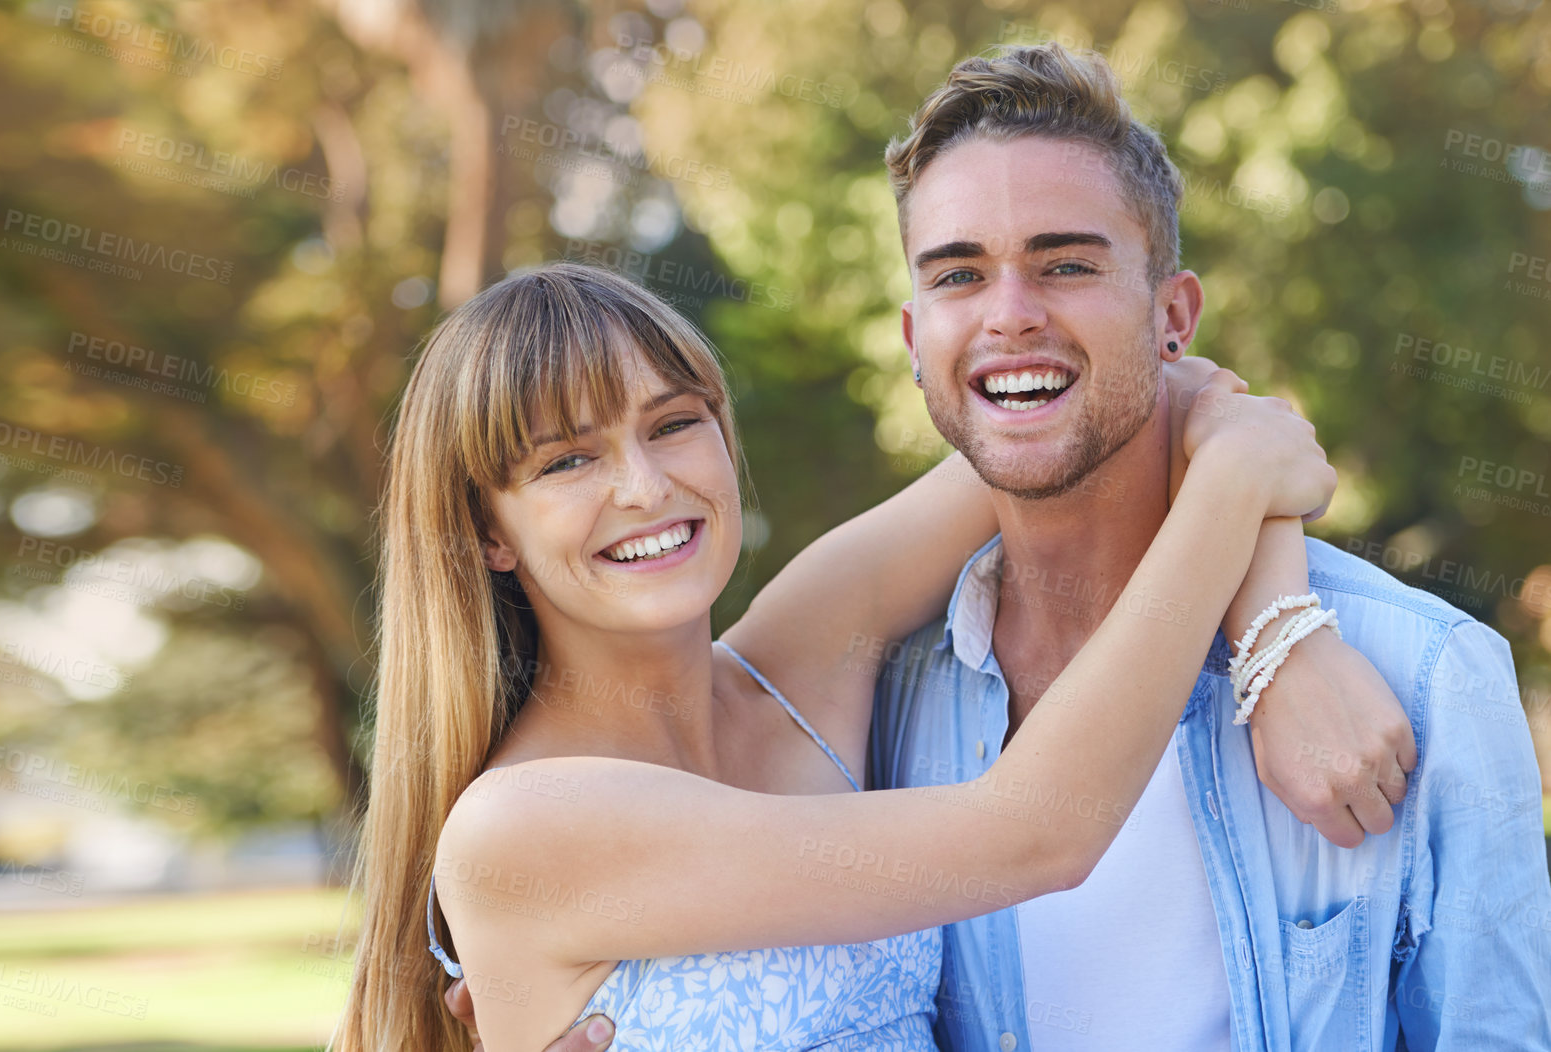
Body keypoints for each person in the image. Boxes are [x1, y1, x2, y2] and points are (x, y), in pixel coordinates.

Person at [331, 258, 1413, 1052]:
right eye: (568, 459)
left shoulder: (798, 660)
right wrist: (1234, 492)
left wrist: (1279, 623)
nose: (644, 487)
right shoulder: (522, 825)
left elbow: (1135, 399)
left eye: (672, 423)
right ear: (486, 530)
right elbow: (1038, 832)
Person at [857, 43, 1551, 1051]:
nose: (1011, 313)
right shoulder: (878, 698)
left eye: (1067, 263)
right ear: (917, 341)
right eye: (961, 273)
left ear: (1173, 315)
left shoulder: (1433, 676)